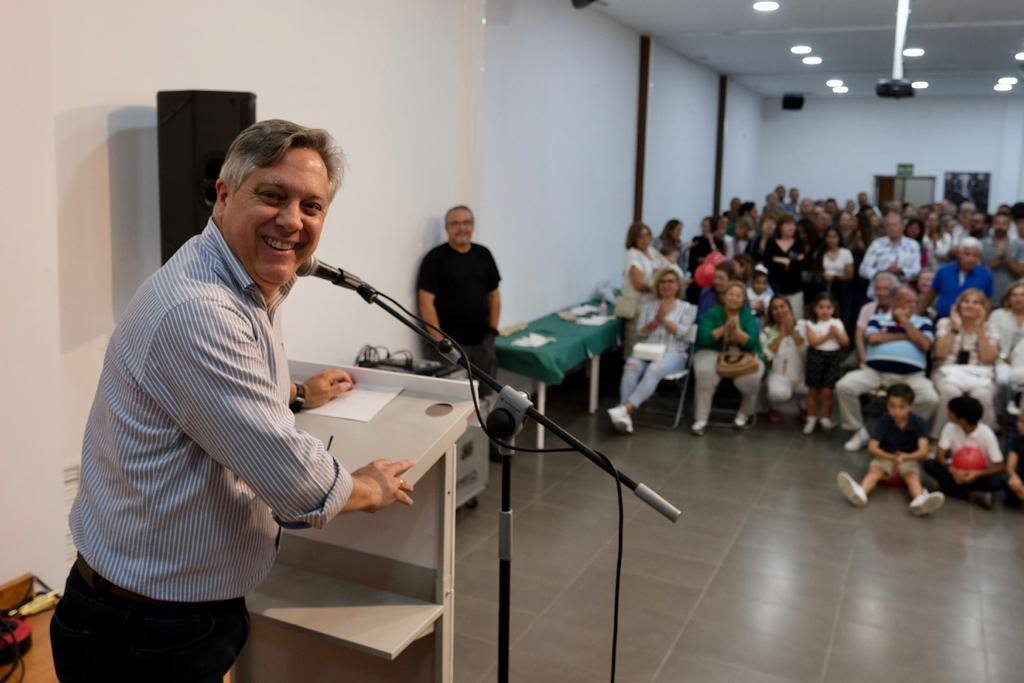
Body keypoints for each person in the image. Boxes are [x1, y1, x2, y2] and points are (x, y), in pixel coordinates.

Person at [52, 120, 417, 682]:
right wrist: (371, 487)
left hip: (166, 611)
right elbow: (297, 484)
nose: (293, 221)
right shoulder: (199, 310)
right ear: (224, 196)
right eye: (273, 196)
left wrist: (297, 393)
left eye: (312, 206)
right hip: (143, 632)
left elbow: (214, 404)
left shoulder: (239, 281)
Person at [837, 286, 938, 451]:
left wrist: (905, 322)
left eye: (915, 302)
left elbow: (925, 344)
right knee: (844, 386)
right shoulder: (878, 319)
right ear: (895, 301)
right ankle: (859, 431)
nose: (913, 305)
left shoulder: (924, 322)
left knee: (930, 398)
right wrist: (908, 336)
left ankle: (905, 430)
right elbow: (874, 338)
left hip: (911, 376)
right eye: (908, 301)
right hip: (875, 372)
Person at [418, 205, 502, 382]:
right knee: (453, 399)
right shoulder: (435, 259)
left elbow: (494, 295)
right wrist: (440, 342)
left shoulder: (484, 254)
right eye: (455, 223)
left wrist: (492, 331)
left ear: (473, 225)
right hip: (450, 345)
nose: (462, 228)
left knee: (485, 393)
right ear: (446, 228)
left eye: (467, 222)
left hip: (483, 342)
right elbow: (425, 302)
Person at [607, 268, 696, 434]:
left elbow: (683, 332)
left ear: (678, 286)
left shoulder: (688, 308)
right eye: (662, 282)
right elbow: (641, 333)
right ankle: (624, 417)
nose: (666, 285)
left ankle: (625, 409)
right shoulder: (649, 306)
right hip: (648, 350)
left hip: (674, 353)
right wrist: (655, 321)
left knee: (655, 368)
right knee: (631, 365)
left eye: (670, 282)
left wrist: (664, 320)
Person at [836, 384, 945, 516]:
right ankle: (861, 492)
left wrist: (905, 457)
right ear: (887, 405)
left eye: (901, 407)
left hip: (908, 458)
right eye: (892, 406)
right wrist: (891, 457)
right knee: (875, 472)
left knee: (912, 477)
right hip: (885, 457)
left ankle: (919, 499)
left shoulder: (919, 422)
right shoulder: (883, 421)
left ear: (911, 406)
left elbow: (923, 451)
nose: (896, 411)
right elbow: (872, 447)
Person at [691, 281, 765, 435]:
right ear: (724, 297)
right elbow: (704, 338)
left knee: (752, 378)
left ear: (744, 299)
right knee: (705, 373)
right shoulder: (713, 313)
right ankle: (701, 419)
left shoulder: (748, 316)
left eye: (738, 295)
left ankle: (743, 414)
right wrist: (725, 328)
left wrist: (737, 331)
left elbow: (752, 343)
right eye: (731, 294)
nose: (734, 298)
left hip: (744, 354)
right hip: (711, 351)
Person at [930, 288, 1000, 438]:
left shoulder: (991, 327)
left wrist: (980, 330)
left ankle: (984, 442)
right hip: (947, 371)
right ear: (958, 305)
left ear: (984, 308)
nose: (970, 305)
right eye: (966, 301)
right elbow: (940, 354)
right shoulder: (945, 323)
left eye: (976, 303)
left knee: (983, 396)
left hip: (979, 374)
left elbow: (988, 358)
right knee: (950, 393)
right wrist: (955, 329)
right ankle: (937, 438)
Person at [924, 395, 1007, 509]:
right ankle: (973, 495)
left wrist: (977, 473)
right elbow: (941, 455)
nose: (948, 414)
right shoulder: (950, 427)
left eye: (950, 412)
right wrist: (953, 470)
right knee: (929, 464)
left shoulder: (987, 434)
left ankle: (949, 489)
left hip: (977, 475)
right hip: (955, 471)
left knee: (999, 482)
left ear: (962, 420)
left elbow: (1000, 466)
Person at [614, 221, 668, 355]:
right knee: (637, 347)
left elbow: (667, 267)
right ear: (633, 238)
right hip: (639, 307)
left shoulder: (651, 251)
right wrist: (659, 289)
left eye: (647, 235)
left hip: (654, 305)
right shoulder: (633, 254)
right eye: (641, 237)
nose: (645, 240)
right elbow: (638, 283)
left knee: (651, 345)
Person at [802, 292, 849, 434]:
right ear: (815, 309)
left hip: (833, 358)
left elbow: (845, 342)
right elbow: (814, 342)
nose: (824, 310)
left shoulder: (837, 323)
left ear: (833, 309)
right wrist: (829, 335)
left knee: (828, 391)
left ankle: (826, 418)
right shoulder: (810, 323)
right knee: (813, 391)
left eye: (828, 307)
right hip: (816, 357)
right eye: (821, 307)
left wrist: (838, 334)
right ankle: (811, 418)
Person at [919, 236, 993, 319]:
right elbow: (931, 295)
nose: (971, 259)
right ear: (959, 254)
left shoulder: (986, 275)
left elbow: (988, 301)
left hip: (972, 322)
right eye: (967, 254)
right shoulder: (944, 271)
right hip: (944, 320)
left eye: (975, 255)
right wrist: (918, 315)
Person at [761, 296, 806, 424]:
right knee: (777, 393)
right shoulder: (767, 331)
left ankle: (804, 407)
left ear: (789, 308)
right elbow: (767, 355)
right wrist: (781, 334)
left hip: (802, 374)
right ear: (771, 312)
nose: (780, 311)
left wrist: (792, 332)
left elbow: (805, 351)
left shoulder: (803, 325)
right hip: (779, 375)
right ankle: (774, 407)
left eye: (782, 306)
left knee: (814, 389)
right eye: (775, 308)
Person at [858, 212, 921, 285]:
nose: (891, 228)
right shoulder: (877, 244)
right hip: (878, 291)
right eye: (888, 225)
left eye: (895, 225)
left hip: (902, 291)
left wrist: (901, 271)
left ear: (903, 227)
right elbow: (863, 269)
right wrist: (883, 273)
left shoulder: (912, 245)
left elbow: (916, 270)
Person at [764, 215, 806, 317]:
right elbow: (768, 262)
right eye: (788, 224)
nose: (791, 227)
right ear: (780, 227)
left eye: (793, 225)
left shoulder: (799, 244)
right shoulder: (771, 242)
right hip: (775, 287)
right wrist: (789, 261)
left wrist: (781, 260)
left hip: (795, 288)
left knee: (796, 317)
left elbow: (801, 264)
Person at [981, 212, 1024, 301]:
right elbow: (977, 271)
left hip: (1010, 296)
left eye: (1004, 223)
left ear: (1009, 226)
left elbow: (1021, 272)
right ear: (992, 225)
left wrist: (1007, 259)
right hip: (986, 294)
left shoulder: (1019, 245)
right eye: (997, 223)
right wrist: (997, 262)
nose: (1000, 227)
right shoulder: (982, 244)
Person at [988, 282, 1024, 386]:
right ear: (1008, 298)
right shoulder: (997, 315)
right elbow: (991, 340)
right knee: (1003, 379)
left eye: (1022, 295)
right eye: (1015, 295)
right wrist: (1004, 357)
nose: (1019, 298)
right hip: (1001, 361)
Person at [1003, 412, 1024, 507]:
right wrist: (1014, 477)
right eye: (1019, 420)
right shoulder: (1017, 440)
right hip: (1021, 479)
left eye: (1022, 422)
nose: (1018, 424)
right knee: (1008, 484)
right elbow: (1010, 466)